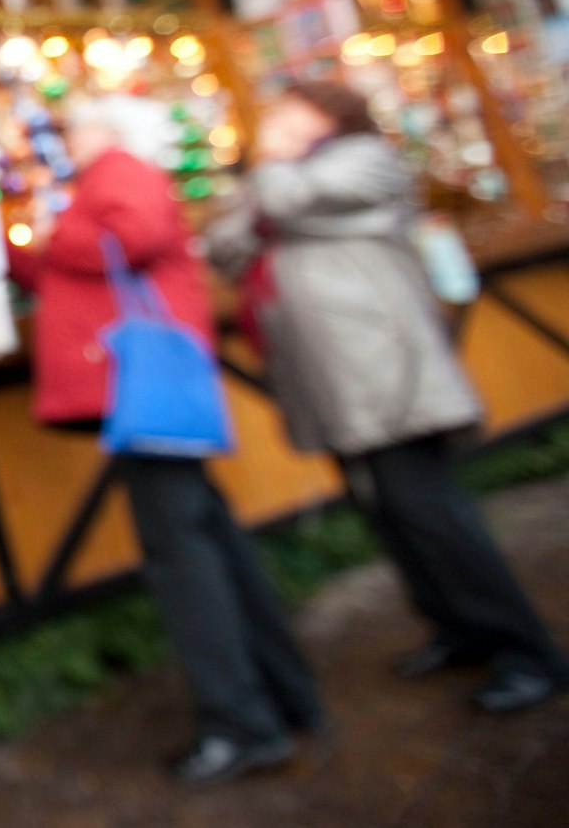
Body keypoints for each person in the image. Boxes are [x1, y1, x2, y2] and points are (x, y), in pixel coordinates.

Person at [206, 80, 569, 714]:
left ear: (327, 118)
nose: (275, 123)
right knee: (390, 515)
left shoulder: (363, 160)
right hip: (332, 380)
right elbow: (225, 247)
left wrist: (267, 168)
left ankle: (526, 652)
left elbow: (283, 205)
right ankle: (457, 628)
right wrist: (265, 186)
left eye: (290, 113)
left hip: (385, 372)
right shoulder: (281, 180)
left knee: (433, 513)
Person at [8, 96, 323, 784]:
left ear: (110, 130)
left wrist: (49, 234)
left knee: (184, 560)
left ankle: (242, 724)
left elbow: (132, 238)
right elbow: (75, 264)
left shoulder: (120, 170)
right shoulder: (103, 182)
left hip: (138, 388)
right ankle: (285, 695)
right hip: (145, 388)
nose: (70, 136)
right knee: (212, 542)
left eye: (79, 125)